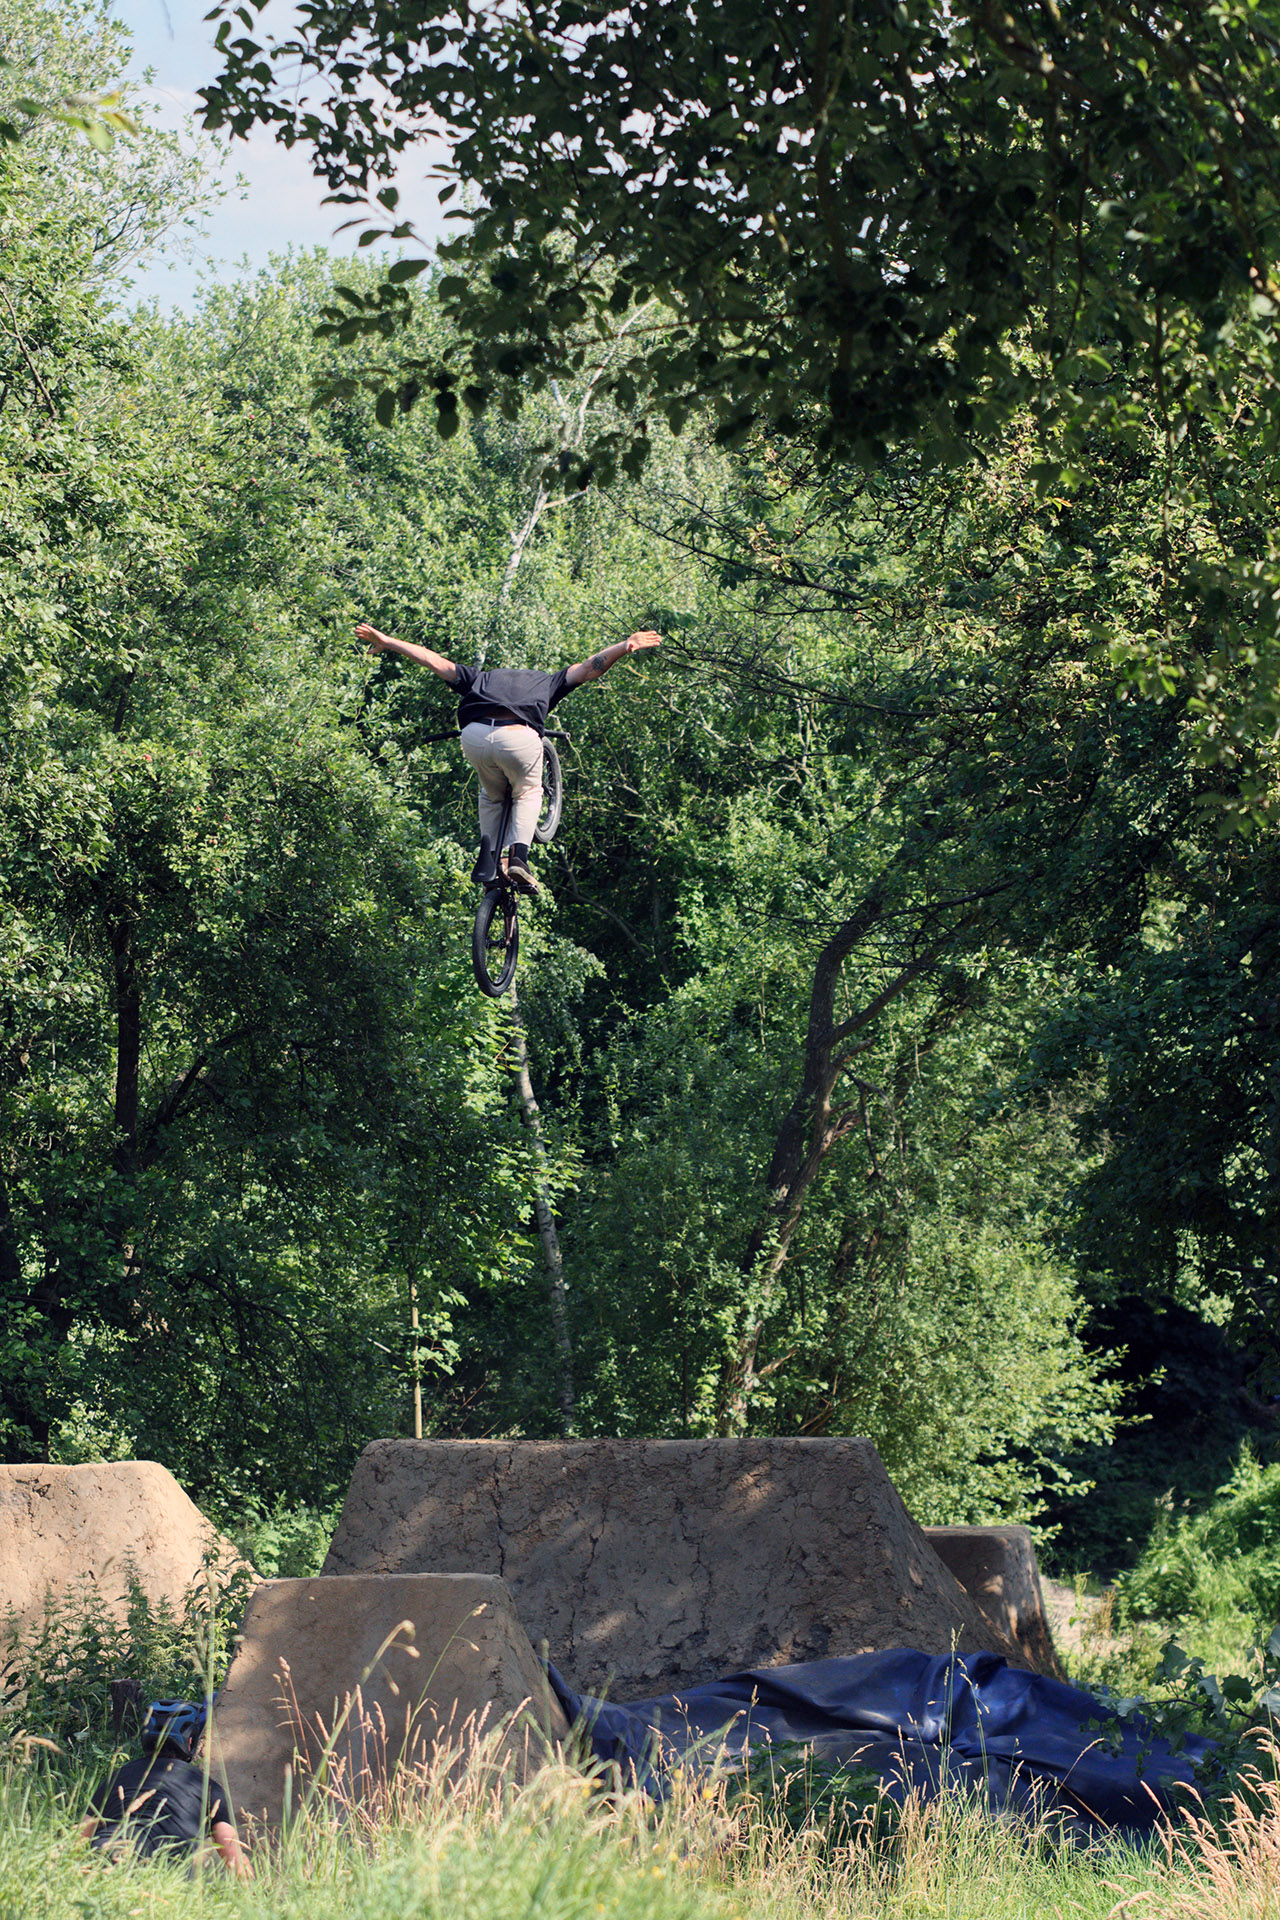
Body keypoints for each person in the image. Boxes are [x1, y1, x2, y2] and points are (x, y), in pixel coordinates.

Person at [356, 622, 662, 894]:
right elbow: (589, 667)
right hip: (519, 738)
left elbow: (432, 660)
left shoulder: (479, 678)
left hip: (474, 736)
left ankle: (489, 856)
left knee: (491, 795)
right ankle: (519, 858)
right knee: (528, 791)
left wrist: (388, 641)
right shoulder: (548, 681)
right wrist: (624, 645)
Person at [80, 1698, 251, 1878]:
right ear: (190, 1741)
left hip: (105, 1857)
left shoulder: (117, 1776)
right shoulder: (208, 1787)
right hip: (162, 1876)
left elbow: (79, 1837)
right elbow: (235, 1860)